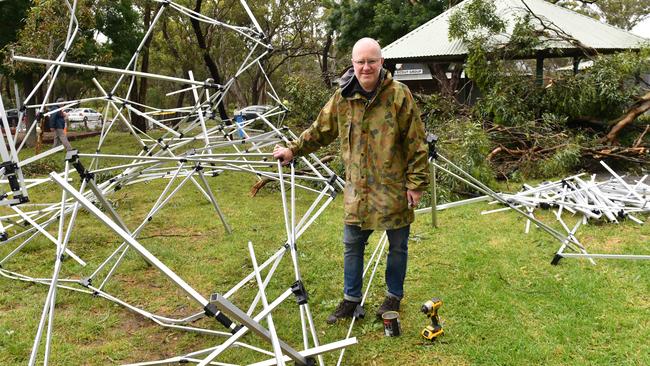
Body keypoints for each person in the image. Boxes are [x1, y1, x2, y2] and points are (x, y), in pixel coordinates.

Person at [273, 38, 429, 324]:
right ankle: (350, 299)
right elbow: (320, 129)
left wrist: (415, 184)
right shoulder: (342, 98)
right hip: (358, 191)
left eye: (371, 61)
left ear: (381, 62)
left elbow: (416, 142)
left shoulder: (399, 95)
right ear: (353, 64)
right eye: (360, 62)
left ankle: (393, 295)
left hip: (393, 188)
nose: (366, 67)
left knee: (397, 246)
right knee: (352, 245)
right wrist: (293, 149)